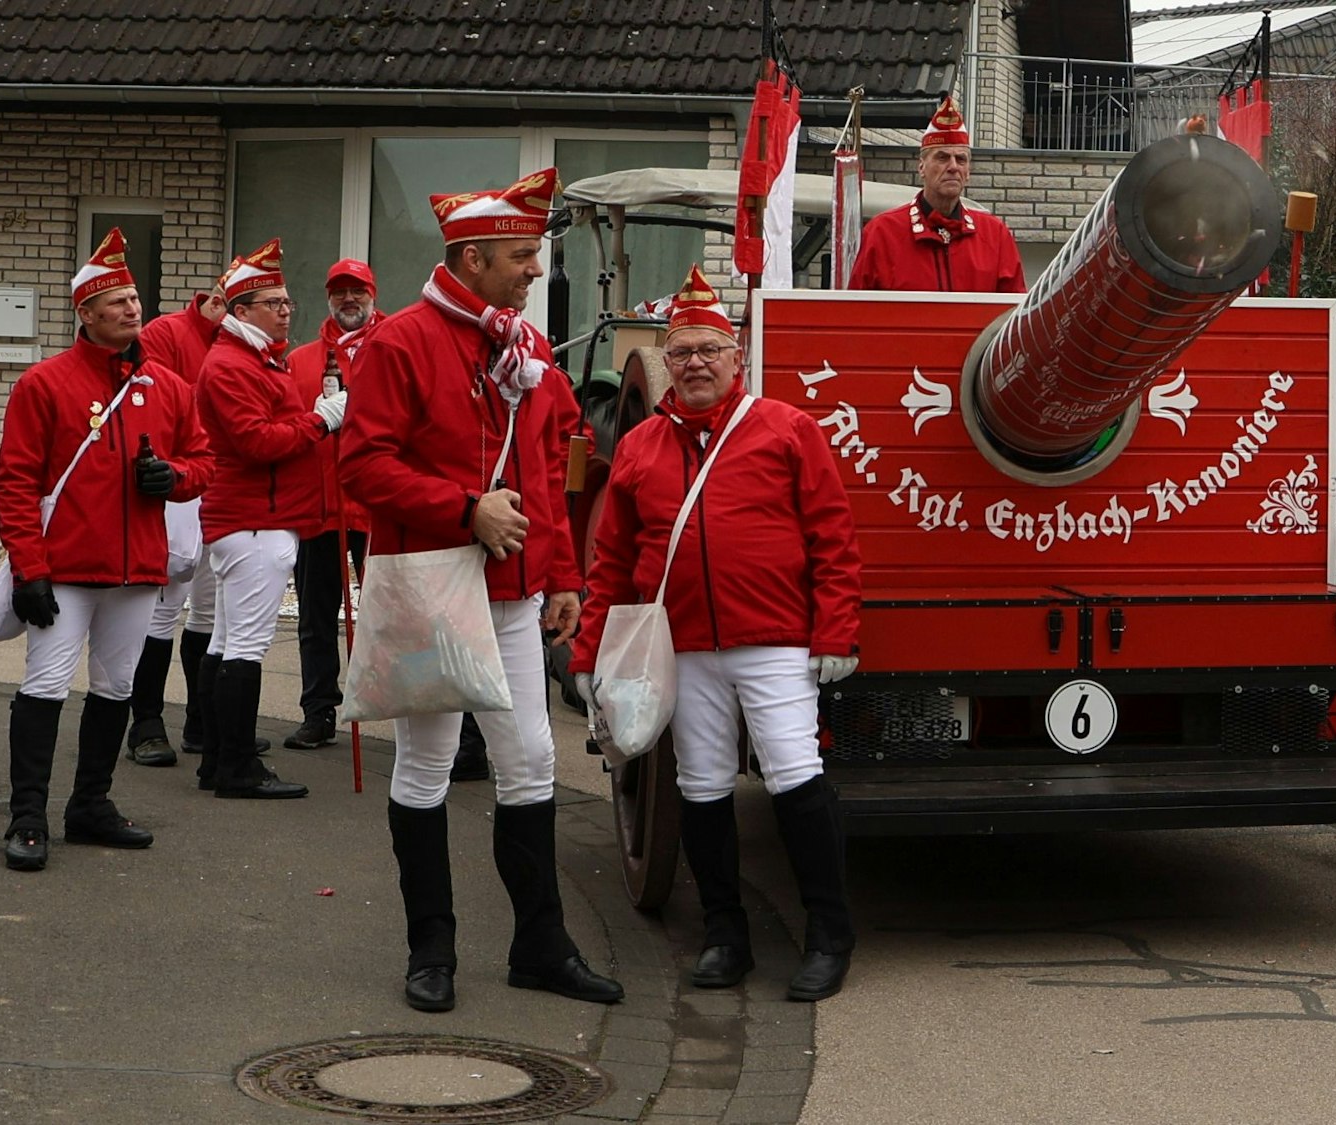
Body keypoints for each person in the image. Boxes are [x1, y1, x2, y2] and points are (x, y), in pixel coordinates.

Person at [341, 167, 622, 1014]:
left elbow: (549, 464)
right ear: (472, 259)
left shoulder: (526, 346)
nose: (535, 270)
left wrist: (563, 573)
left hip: (514, 591)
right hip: (432, 587)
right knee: (427, 760)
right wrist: (464, 507)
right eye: (521, 256)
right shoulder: (400, 343)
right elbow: (361, 465)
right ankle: (431, 948)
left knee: (530, 757)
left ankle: (541, 944)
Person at [569, 265, 864, 1002]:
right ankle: (725, 934)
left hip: (775, 638)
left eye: (709, 349)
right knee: (700, 786)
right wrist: (588, 652)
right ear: (666, 362)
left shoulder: (787, 428)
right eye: (682, 351)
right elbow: (612, 562)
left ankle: (830, 936)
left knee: (795, 777)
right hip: (684, 645)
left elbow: (832, 537)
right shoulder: (640, 446)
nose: (696, 363)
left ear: (737, 358)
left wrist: (835, 631)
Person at [0, 228, 213, 871]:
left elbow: (204, 462)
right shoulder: (43, 383)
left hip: (137, 571)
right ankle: (27, 816)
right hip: (63, 570)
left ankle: (90, 805)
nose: (131, 308)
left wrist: (174, 477)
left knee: (116, 687)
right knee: (45, 686)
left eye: (134, 298)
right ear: (85, 313)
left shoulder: (169, 387)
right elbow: (15, 482)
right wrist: (29, 569)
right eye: (116, 300)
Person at [193, 238, 340, 800]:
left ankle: (217, 759)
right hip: (255, 518)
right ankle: (237, 767)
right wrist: (321, 421)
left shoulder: (252, 358)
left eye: (286, 301)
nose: (285, 311)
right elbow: (258, 442)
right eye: (272, 302)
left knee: (226, 642)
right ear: (241, 310)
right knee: (245, 647)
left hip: (257, 517)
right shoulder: (233, 364)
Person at [125, 261, 234, 769]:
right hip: (179, 489)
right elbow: (150, 406)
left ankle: (201, 721)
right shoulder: (166, 333)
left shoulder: (254, 347)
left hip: (226, 491)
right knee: (163, 608)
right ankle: (146, 722)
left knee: (211, 611)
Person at [282, 259, 381, 748]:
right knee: (316, 618)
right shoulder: (300, 360)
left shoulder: (393, 347)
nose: (349, 299)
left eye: (357, 291)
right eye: (340, 291)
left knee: (393, 615)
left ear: (372, 294)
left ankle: (409, 713)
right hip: (320, 506)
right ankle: (318, 710)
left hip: (379, 507)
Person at [850, 94, 1026, 294]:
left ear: (968, 172)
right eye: (942, 158)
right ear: (921, 167)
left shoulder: (995, 235)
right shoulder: (882, 234)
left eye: (961, 159)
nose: (953, 167)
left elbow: (1016, 309)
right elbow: (856, 309)